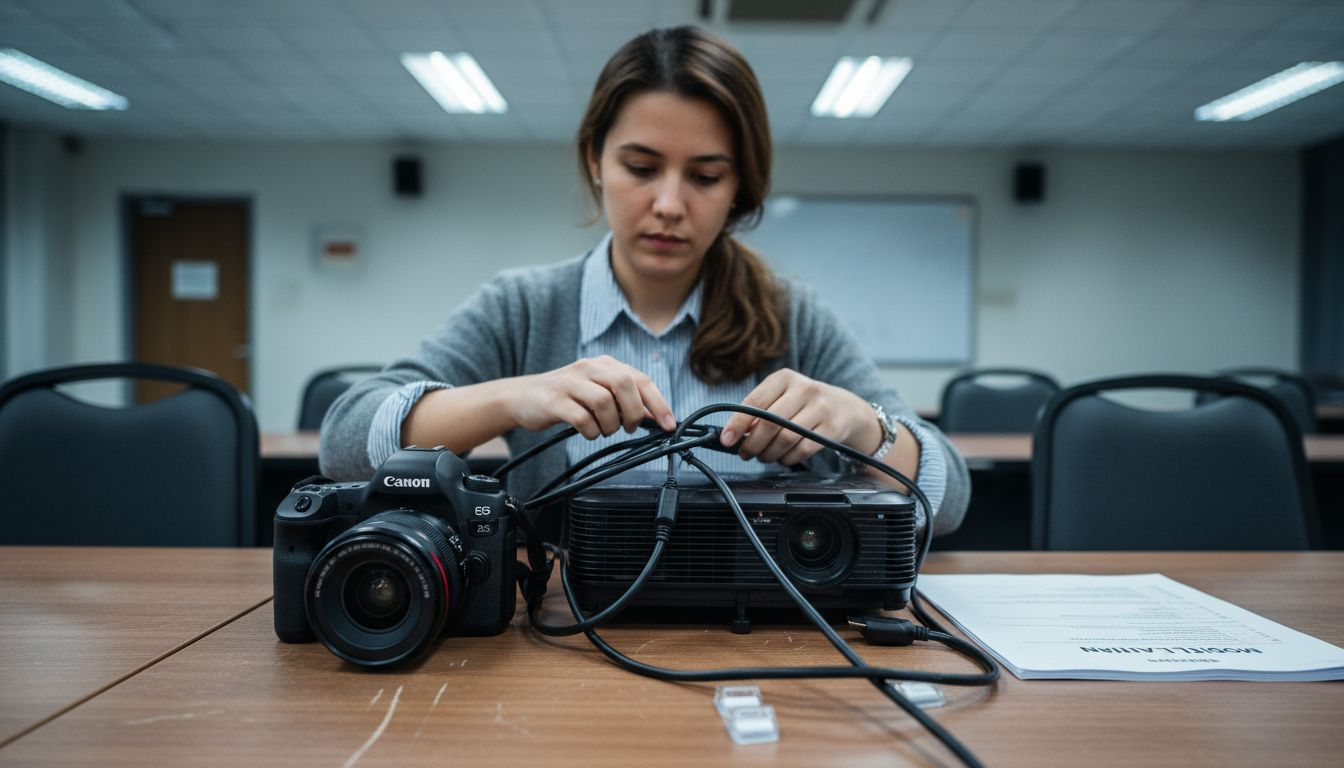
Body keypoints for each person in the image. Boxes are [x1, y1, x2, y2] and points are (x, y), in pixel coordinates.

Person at [320, 26, 968, 536]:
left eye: (706, 177)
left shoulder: (792, 316)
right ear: (594, 161)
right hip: (567, 634)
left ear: (741, 187)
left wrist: (865, 427)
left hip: (767, 629)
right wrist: (517, 398)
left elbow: (949, 502)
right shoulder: (524, 307)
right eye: (640, 166)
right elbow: (345, 446)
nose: (668, 204)